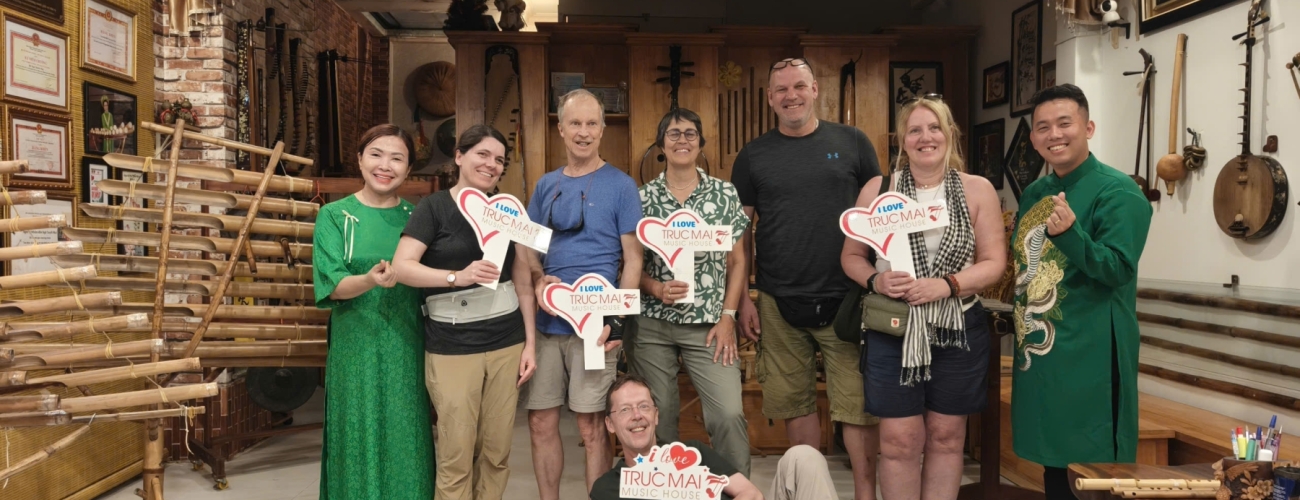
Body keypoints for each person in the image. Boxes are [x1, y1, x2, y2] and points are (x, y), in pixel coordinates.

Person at [730, 56, 882, 500]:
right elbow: (740, 234)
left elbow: (880, 214)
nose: (791, 95)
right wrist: (744, 299)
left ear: (815, 90)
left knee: (857, 408)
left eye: (799, 86)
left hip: (847, 298)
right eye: (781, 89)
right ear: (770, 98)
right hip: (777, 301)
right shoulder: (753, 155)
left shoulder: (853, 142)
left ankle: (865, 495)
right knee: (794, 403)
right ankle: (808, 493)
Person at [841, 95, 1006, 500]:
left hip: (957, 326)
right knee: (899, 439)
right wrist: (876, 281)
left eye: (934, 128)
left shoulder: (977, 189)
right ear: (902, 139)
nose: (925, 137)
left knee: (947, 436)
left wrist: (947, 284)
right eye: (914, 130)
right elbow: (851, 257)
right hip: (893, 327)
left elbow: (993, 263)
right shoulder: (879, 189)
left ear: (950, 134)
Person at [1010, 84, 1152, 500]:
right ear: (1033, 138)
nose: (1054, 134)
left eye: (1064, 123)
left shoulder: (1118, 191)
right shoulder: (1035, 193)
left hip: (1092, 357)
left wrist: (1071, 234)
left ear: (1088, 128)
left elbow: (1118, 269)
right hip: (1043, 352)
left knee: (1092, 472)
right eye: (1043, 127)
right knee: (1054, 469)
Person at [392, 124, 538, 500]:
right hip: (451, 346)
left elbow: (523, 280)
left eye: (499, 160)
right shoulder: (434, 208)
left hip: (507, 343)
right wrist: (457, 276)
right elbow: (402, 267)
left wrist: (530, 344)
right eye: (482, 154)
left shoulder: (508, 210)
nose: (491, 165)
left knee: (497, 450)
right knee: (456, 453)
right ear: (459, 156)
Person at [524, 88, 644, 499]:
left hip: (595, 326)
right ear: (560, 129)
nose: (584, 132)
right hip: (547, 322)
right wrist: (538, 277)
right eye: (575, 123)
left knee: (591, 426)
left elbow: (633, 258)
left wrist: (617, 320)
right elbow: (529, 249)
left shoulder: (622, 185)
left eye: (592, 123)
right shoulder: (546, 185)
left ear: (602, 129)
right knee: (540, 421)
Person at [313, 124, 433, 499]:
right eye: (376, 155)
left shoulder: (418, 218)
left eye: (397, 158)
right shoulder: (334, 215)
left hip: (406, 344)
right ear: (360, 159)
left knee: (406, 433)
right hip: (354, 346)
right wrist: (369, 280)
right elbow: (332, 284)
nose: (385, 165)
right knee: (355, 432)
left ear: (408, 169)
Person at [631, 108, 752, 475]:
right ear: (660, 145)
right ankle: (661, 490)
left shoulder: (723, 193)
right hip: (652, 325)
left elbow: (737, 261)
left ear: (701, 143)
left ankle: (738, 491)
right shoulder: (641, 198)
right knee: (659, 417)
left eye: (689, 134)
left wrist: (728, 317)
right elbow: (630, 264)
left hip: (710, 326)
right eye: (673, 134)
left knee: (728, 413)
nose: (682, 140)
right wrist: (656, 287)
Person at [591, 374, 838, 500]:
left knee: (804, 456)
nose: (637, 416)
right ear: (610, 424)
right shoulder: (608, 489)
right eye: (625, 410)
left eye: (644, 406)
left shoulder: (692, 453)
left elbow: (751, 494)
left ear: (656, 416)